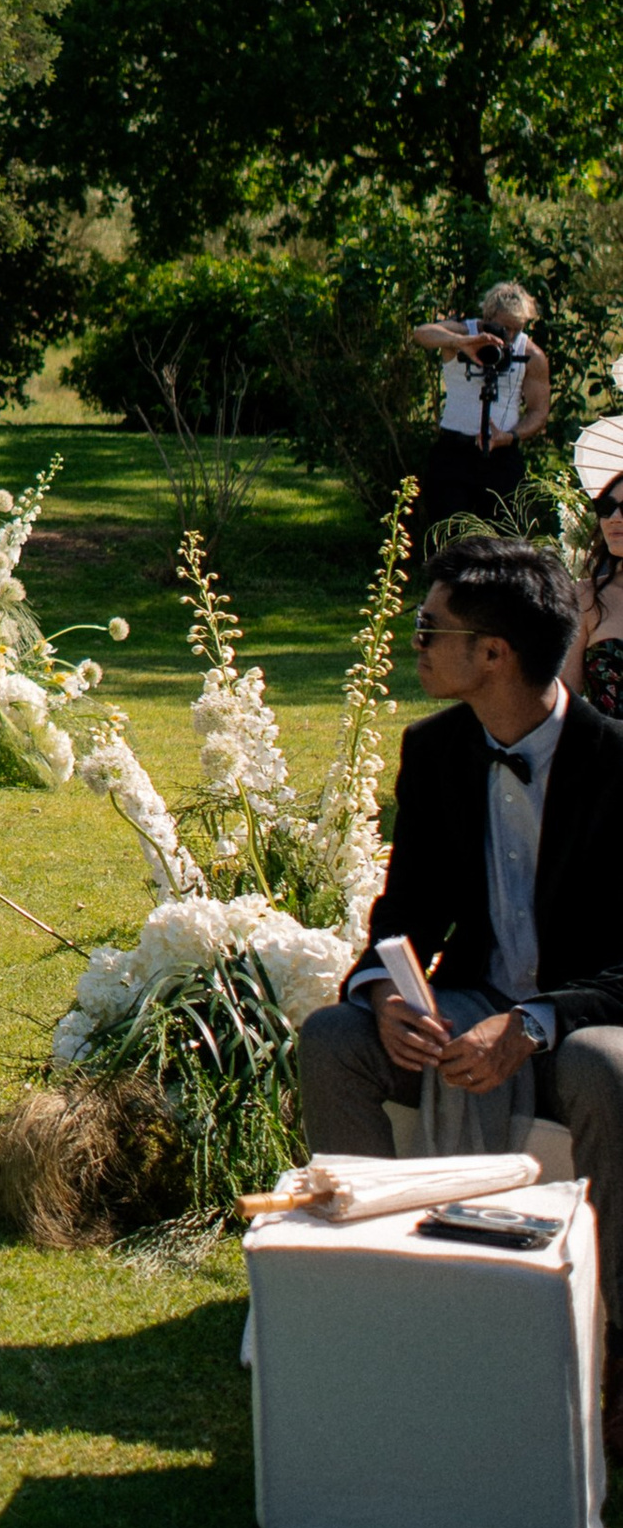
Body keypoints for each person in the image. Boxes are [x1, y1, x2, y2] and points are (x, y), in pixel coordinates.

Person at [296, 536, 623, 1423]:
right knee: (332, 1041)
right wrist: (387, 991)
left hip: (579, 1025)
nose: (417, 639)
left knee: (607, 1066)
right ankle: (371, 1297)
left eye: (429, 626)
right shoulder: (435, 751)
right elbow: (402, 918)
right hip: (467, 1012)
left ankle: (619, 1346)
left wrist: (534, 1025)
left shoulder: (619, 765)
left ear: (494, 653)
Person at [410, 281, 550, 552]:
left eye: (516, 329)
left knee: (504, 544)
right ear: (487, 318)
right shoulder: (465, 332)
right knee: (449, 540)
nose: (507, 336)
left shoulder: (530, 354)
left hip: (501, 455)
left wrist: (510, 436)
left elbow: (538, 410)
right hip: (453, 451)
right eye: (502, 327)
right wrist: (461, 343)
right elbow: (422, 333)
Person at [566, 465, 623, 724]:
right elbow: (565, 698)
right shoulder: (586, 597)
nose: (615, 518)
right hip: (608, 755)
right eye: (606, 507)